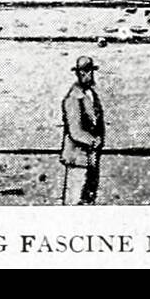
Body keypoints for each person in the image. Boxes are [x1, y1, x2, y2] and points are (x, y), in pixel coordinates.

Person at [60, 56, 105, 205]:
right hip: (77, 159)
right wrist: (93, 141)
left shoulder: (91, 95)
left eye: (90, 71)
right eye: (84, 72)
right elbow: (75, 131)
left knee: (89, 201)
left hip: (91, 158)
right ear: (78, 74)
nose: (88, 75)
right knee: (74, 202)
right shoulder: (73, 98)